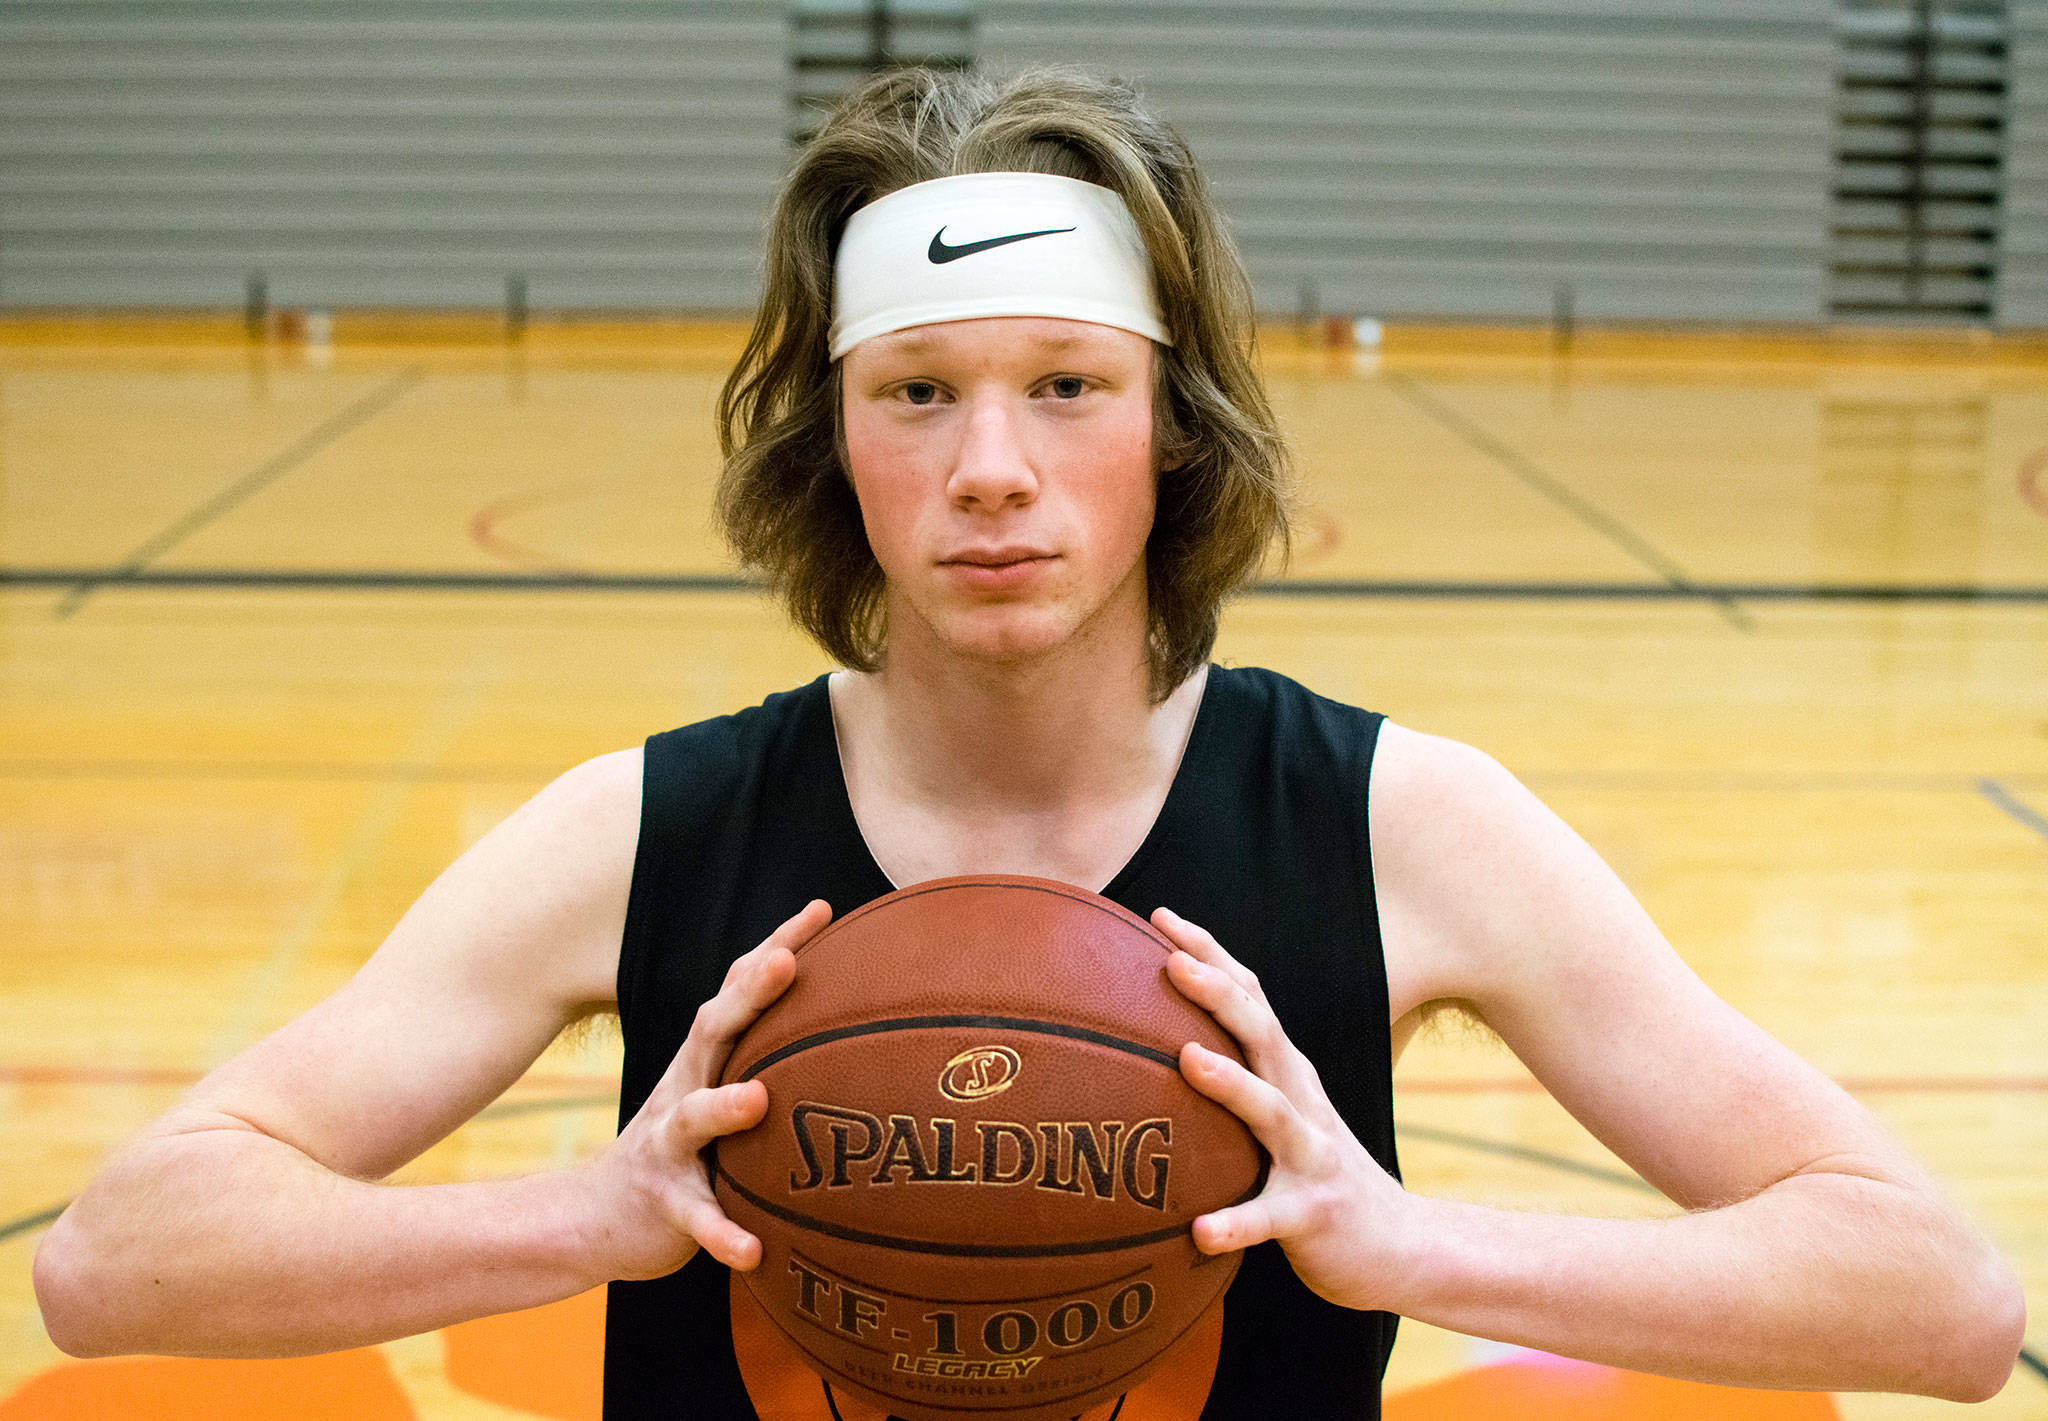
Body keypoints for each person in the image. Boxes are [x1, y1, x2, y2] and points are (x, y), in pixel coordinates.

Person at [33, 64, 2023, 1418]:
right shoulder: (645, 831)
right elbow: (112, 1266)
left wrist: (1408, 1240)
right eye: (916, 393)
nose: (991, 471)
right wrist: (584, 1216)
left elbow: (1938, 1299)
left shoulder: (1398, 828)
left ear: (1172, 426)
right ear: (834, 445)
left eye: (1065, 383)